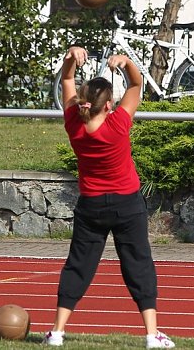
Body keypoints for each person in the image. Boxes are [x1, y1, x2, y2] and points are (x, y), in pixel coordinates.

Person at [44, 47, 174, 349]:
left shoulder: (73, 124)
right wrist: (126, 62)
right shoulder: (117, 124)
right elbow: (137, 85)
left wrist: (69, 61)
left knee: (78, 265)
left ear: (84, 101)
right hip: (127, 203)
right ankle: (152, 334)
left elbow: (66, 82)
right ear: (109, 105)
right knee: (138, 264)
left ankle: (57, 332)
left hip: (91, 205)